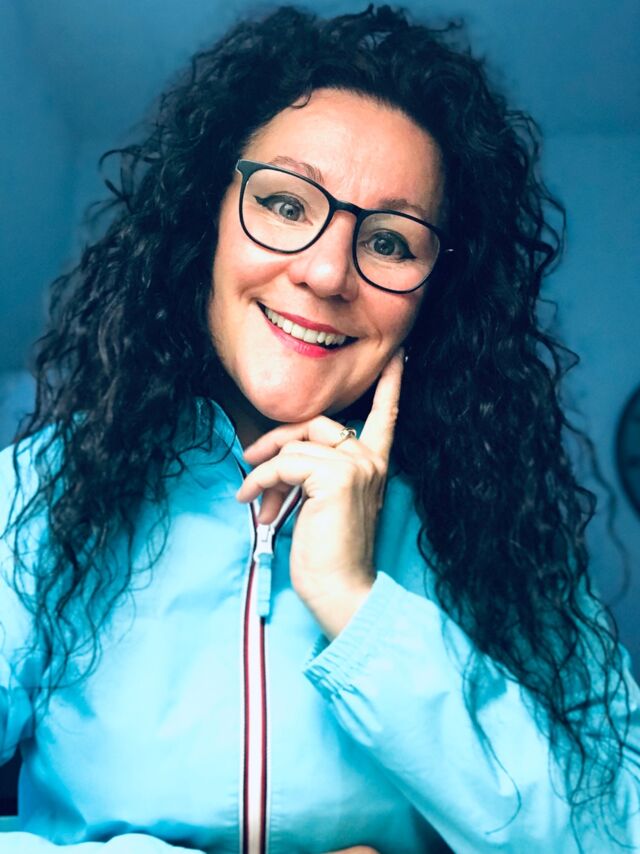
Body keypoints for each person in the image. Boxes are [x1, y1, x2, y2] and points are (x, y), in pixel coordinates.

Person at [0, 5, 639, 853]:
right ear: (205, 219)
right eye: (284, 203)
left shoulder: (502, 543)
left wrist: (357, 605)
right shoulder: (41, 495)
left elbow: (616, 830)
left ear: (436, 296)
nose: (328, 271)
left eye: (391, 243)